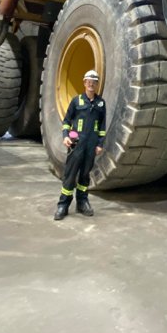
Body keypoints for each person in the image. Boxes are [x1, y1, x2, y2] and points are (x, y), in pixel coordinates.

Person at [54, 69, 106, 221]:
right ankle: (63, 204)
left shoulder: (101, 103)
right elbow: (66, 121)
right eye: (89, 81)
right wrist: (65, 136)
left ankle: (82, 202)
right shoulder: (77, 101)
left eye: (94, 82)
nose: (91, 84)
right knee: (70, 175)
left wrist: (100, 144)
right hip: (77, 144)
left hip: (91, 145)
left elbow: (102, 126)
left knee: (85, 175)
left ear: (97, 84)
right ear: (84, 83)